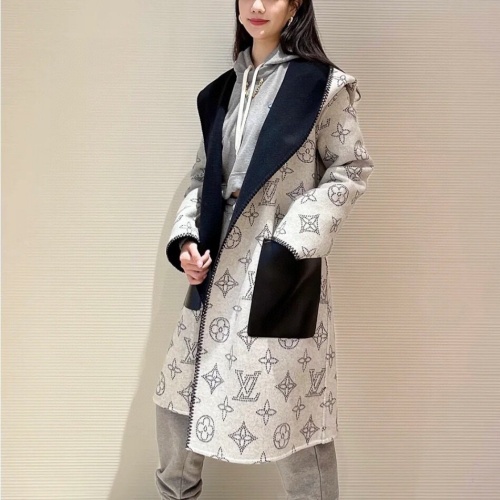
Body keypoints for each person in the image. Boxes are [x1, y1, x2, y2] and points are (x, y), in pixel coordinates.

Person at [153, 0, 374, 498]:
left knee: (292, 415)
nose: (256, 5)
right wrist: (188, 241)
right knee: (177, 403)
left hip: (277, 265)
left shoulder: (322, 86)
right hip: (215, 265)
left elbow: (350, 169)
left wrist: (289, 242)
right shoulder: (222, 92)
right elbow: (203, 176)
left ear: (295, 5)